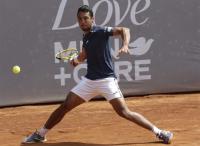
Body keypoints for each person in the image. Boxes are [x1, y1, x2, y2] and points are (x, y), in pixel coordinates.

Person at [22, 5, 173, 144]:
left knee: (124, 112)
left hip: (107, 80)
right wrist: (76, 61)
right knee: (65, 106)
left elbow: (123, 30)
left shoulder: (101, 31)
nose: (82, 21)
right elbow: (84, 55)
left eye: (86, 18)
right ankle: (40, 134)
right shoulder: (86, 37)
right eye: (80, 19)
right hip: (89, 81)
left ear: (92, 19)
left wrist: (125, 45)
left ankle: (160, 132)